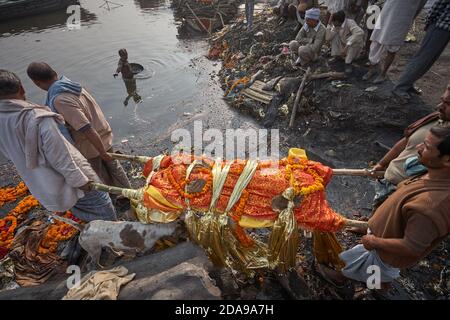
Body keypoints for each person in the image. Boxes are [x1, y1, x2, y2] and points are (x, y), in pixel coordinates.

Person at [317, 125, 450, 291]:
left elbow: (411, 247)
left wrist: (374, 241)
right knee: (372, 270)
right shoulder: (431, 173)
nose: (418, 147)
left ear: (447, 160)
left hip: (385, 253)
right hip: (382, 243)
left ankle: (343, 280)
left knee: (366, 268)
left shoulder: (432, 207)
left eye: (427, 147)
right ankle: (380, 286)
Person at [0, 70, 117, 222]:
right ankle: (109, 239)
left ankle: (93, 231)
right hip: (71, 181)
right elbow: (61, 157)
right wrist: (82, 182)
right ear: (22, 88)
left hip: (42, 185)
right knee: (102, 206)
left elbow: (10, 153)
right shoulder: (37, 118)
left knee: (81, 210)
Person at [26, 62, 132, 194]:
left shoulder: (60, 99)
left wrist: (102, 152)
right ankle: (126, 194)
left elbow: (86, 128)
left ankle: (120, 196)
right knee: (113, 167)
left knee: (97, 173)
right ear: (54, 73)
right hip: (102, 133)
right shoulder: (73, 86)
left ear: (36, 82)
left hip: (90, 143)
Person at [371, 84, 450, 207]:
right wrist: (382, 164)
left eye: (448, 104)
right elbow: (405, 142)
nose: (439, 107)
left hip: (404, 195)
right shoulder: (435, 119)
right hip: (387, 182)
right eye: (442, 100)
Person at [392, 0, 450, 102]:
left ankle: (408, 84)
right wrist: (429, 22)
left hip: (445, 28)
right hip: (440, 26)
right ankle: (400, 87)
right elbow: (438, 5)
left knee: (429, 60)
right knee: (423, 58)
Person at [362, 0, 427, 84]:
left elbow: (419, 7)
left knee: (392, 47)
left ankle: (383, 74)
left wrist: (411, 18)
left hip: (403, 18)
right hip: (387, 12)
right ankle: (372, 69)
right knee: (376, 40)